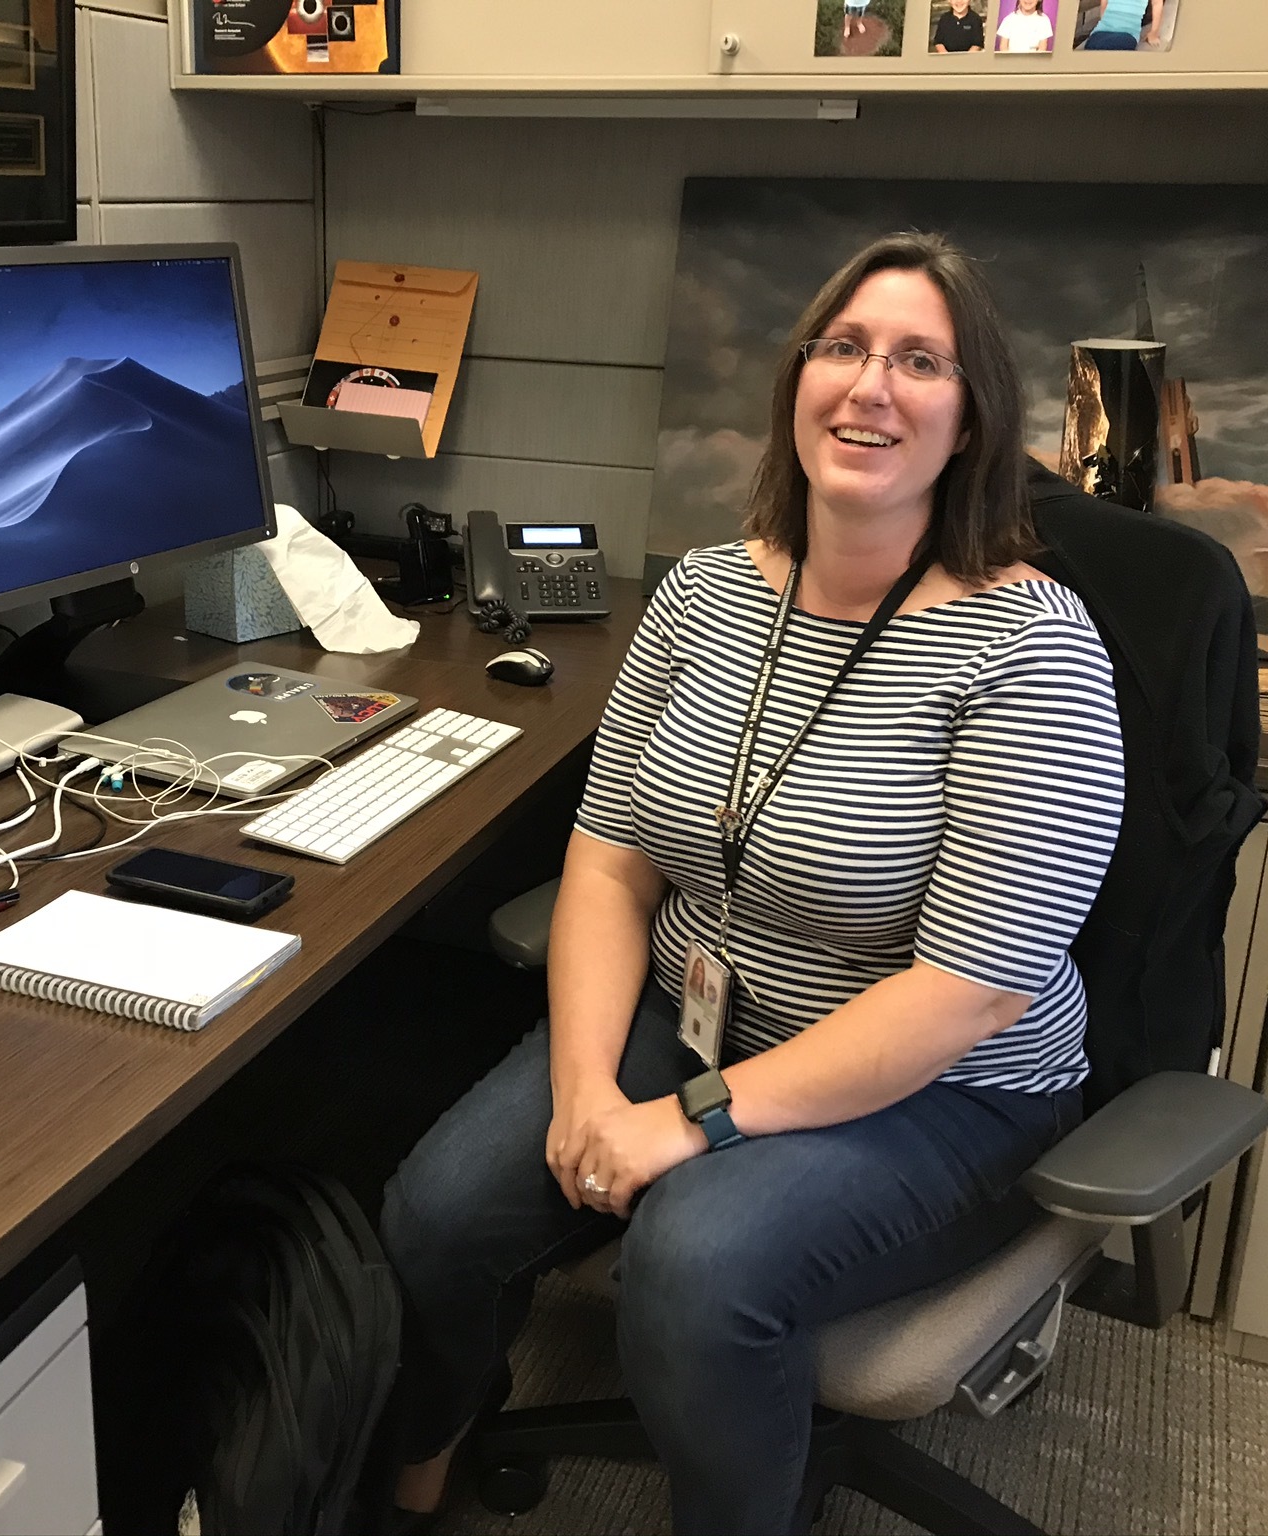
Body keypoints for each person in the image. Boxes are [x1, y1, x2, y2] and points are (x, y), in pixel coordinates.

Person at [378, 232, 1124, 1535]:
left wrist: (677, 1126)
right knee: (436, 1214)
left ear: (973, 419)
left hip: (942, 1089)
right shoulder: (710, 593)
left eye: (919, 362)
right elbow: (610, 862)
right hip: (703, 1006)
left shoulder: (1031, 651)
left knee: (694, 1270)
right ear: (797, 383)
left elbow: (959, 999)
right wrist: (583, 1092)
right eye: (843, 348)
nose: (870, 387)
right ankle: (420, 1462)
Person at [1082, 0, 1162, 49]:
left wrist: (1154, 32)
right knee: (1092, 46)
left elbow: (1157, 3)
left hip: (1128, 33)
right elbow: (1104, 3)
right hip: (1102, 29)